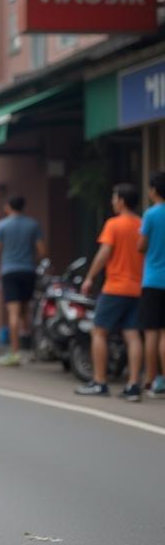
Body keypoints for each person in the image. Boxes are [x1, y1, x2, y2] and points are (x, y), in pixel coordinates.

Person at [75, 183, 144, 400]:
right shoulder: (141, 224)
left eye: (114, 198)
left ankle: (100, 381)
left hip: (115, 287)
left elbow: (104, 253)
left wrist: (90, 277)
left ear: (122, 201)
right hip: (137, 288)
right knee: (132, 335)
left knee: (99, 332)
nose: (113, 202)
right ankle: (133, 386)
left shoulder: (114, 224)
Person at [0, 196, 45, 366]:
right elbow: (42, 251)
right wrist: (31, 261)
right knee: (26, 312)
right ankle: (30, 351)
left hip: (9, 272)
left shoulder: (2, 225)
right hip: (28, 271)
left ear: (7, 207)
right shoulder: (32, 224)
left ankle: (15, 353)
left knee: (13, 314)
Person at [139, 171, 165, 395]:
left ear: (154, 190)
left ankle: (151, 379)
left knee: (152, 333)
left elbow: (141, 245)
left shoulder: (150, 214)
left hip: (153, 280)